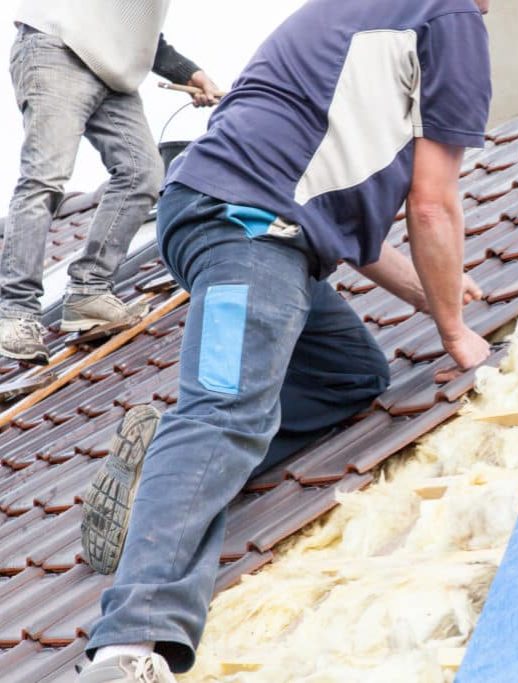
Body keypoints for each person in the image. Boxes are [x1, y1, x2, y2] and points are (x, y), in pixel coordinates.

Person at [78, 0, 493, 680]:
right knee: (222, 410)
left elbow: (345, 232)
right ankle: (131, 644)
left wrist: (429, 293)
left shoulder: (363, 17)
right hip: (244, 230)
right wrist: (456, 332)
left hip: (241, 225)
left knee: (350, 373)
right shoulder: (449, 18)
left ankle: (164, 467)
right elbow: (432, 203)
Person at [0, 1, 220, 365]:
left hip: (112, 70)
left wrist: (189, 73)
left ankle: (89, 291)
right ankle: (16, 313)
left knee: (144, 173)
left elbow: (136, 32)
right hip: (59, 47)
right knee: (45, 179)